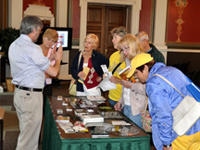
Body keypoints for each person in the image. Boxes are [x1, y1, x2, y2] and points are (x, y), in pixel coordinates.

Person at [8, 16, 63, 150]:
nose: (39, 34)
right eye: (39, 31)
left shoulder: (14, 44)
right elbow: (54, 72)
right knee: (28, 140)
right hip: (30, 97)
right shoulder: (32, 48)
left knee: (27, 133)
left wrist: (48, 58)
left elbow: (31, 68)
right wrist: (58, 58)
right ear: (35, 29)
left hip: (20, 94)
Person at [126, 53, 200, 150]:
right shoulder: (172, 70)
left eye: (136, 73)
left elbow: (163, 114)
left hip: (180, 132)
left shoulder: (153, 83)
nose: (136, 77)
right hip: (196, 125)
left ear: (144, 68)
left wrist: (167, 143)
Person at [113, 34, 147, 128]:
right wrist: (120, 101)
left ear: (133, 45)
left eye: (126, 48)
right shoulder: (128, 60)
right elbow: (125, 84)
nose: (124, 52)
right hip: (126, 105)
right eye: (122, 50)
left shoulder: (143, 61)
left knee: (135, 138)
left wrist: (132, 86)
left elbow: (147, 88)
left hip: (137, 107)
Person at [40, 28, 59, 114]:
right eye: (48, 39)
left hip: (47, 85)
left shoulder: (53, 52)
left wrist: (48, 75)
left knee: (45, 110)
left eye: (52, 41)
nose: (49, 43)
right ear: (43, 37)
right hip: (35, 84)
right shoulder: (35, 50)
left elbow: (55, 72)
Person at [107, 26, 127, 106]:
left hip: (122, 98)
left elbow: (131, 81)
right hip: (112, 96)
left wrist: (118, 80)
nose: (112, 40)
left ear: (123, 39)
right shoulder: (113, 55)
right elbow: (110, 71)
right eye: (113, 37)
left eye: (115, 37)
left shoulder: (127, 57)